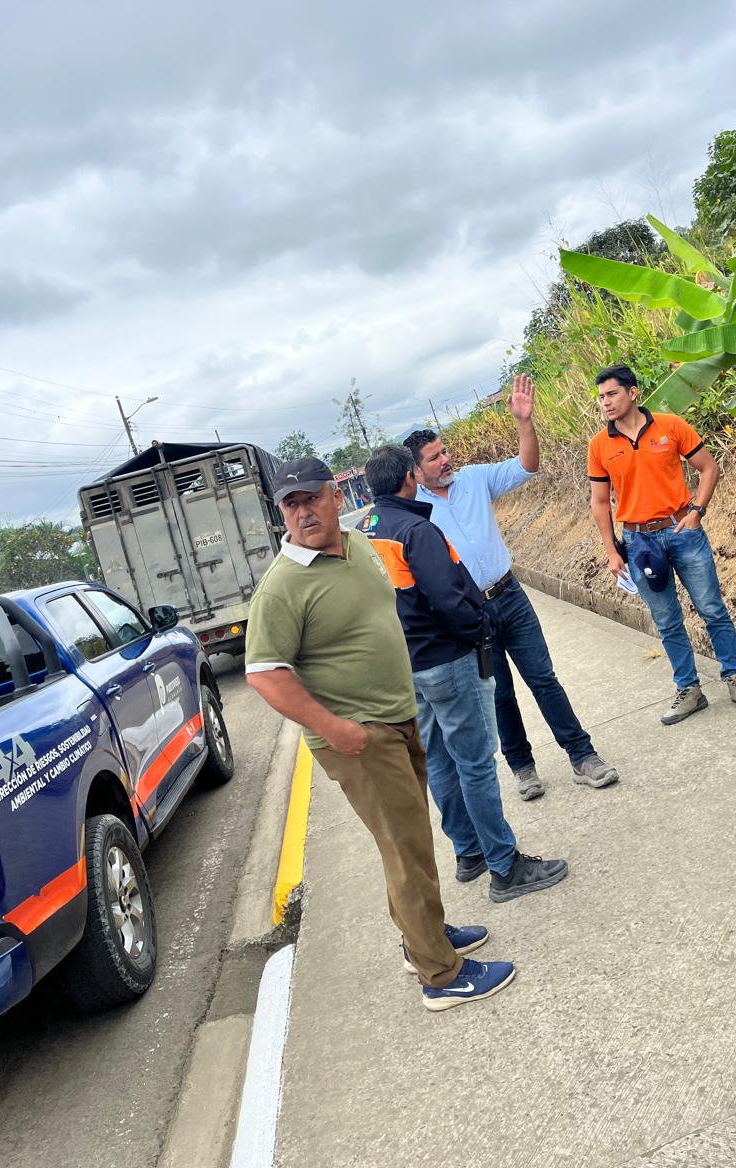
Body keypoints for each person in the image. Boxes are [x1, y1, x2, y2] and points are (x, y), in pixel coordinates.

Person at [244, 457, 515, 1012]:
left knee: (410, 841)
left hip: (397, 717)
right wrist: (334, 729)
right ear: (281, 513)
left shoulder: (358, 545)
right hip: (360, 738)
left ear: (334, 496)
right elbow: (265, 674)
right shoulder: (282, 586)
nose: (303, 512)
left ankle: (424, 937)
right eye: (291, 505)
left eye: (311, 498)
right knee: (405, 851)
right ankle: (441, 974)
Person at [361, 444, 569, 901]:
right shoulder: (416, 530)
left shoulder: (367, 531)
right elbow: (448, 598)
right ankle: (504, 866)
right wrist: (480, 629)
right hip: (446, 660)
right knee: (475, 763)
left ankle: (469, 852)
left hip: (409, 663)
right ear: (409, 478)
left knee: (438, 759)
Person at [404, 374, 618, 802]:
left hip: (510, 597)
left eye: (444, 451)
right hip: (471, 615)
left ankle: (582, 756)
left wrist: (524, 423)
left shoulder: (475, 479)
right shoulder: (415, 512)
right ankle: (523, 767)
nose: (446, 459)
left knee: (544, 679)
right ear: (415, 471)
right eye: (434, 457)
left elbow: (527, 466)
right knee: (499, 694)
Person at [588, 364, 736, 724]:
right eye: (601, 396)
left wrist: (697, 511)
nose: (605, 402)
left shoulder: (670, 426)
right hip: (638, 541)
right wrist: (611, 551)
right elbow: (599, 501)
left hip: (682, 531)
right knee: (667, 620)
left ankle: (735, 678)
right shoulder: (599, 445)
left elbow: (709, 468)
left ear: (632, 393)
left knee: (711, 609)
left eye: (612, 394)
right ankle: (689, 690)